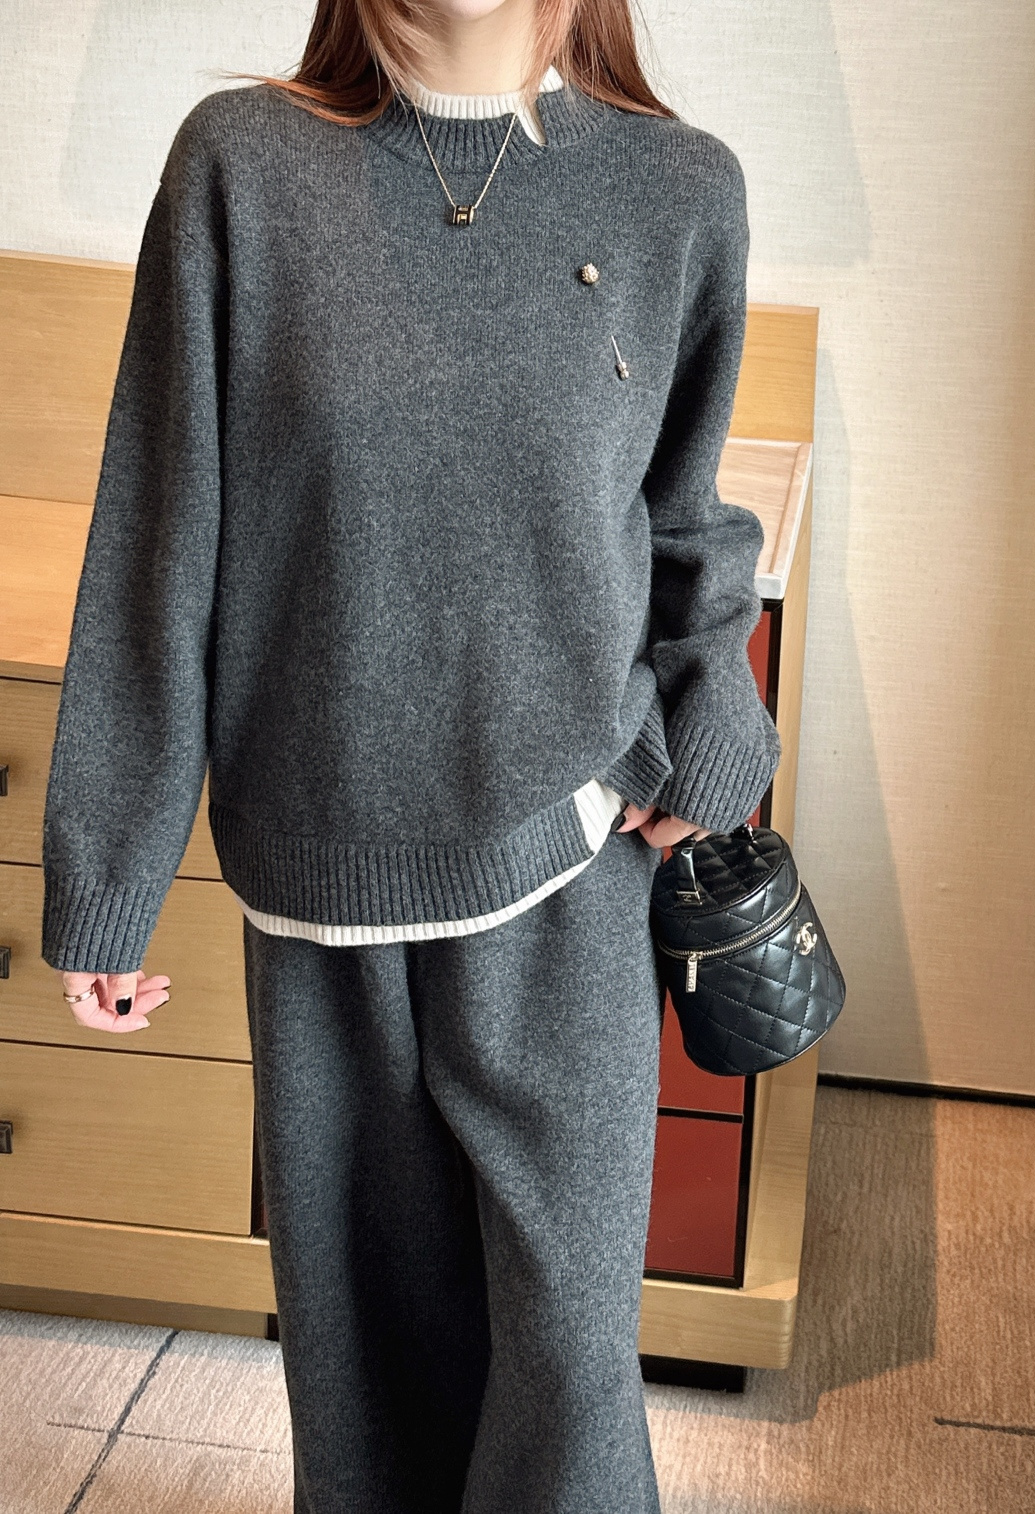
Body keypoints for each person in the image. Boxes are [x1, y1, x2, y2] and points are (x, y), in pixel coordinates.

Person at [40, 0, 781, 1507]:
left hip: (573, 853)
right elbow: (159, 535)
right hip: (321, 878)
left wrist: (717, 718)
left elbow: (685, 510)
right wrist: (109, 869)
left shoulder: (678, 190)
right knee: (368, 1363)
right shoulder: (240, 169)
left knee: (568, 1370)